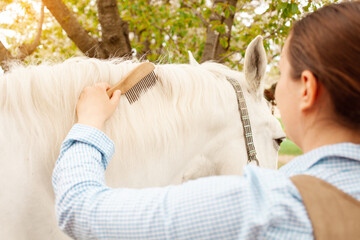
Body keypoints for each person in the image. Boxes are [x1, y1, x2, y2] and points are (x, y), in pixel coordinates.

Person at [52, 2, 360, 239]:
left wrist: (89, 124)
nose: (275, 90)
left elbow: (80, 211)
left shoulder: (261, 206)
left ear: (307, 88)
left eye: (282, 74)